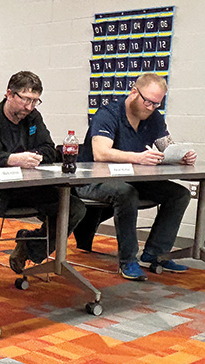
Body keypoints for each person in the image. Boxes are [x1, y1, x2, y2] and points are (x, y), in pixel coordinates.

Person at [0, 71, 86, 275]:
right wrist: (10, 159)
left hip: (28, 187)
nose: (29, 107)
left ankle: (30, 247)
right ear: (9, 94)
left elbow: (48, 148)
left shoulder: (33, 118)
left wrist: (35, 156)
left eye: (35, 101)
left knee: (74, 208)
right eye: (26, 99)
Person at [76, 73, 195, 281]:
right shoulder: (108, 114)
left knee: (179, 194)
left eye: (156, 104)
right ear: (133, 91)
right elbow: (101, 153)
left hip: (131, 178)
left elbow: (166, 147)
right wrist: (138, 158)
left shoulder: (154, 117)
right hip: (93, 179)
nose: (150, 107)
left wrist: (180, 157)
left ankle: (154, 254)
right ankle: (128, 260)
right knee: (126, 193)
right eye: (147, 101)